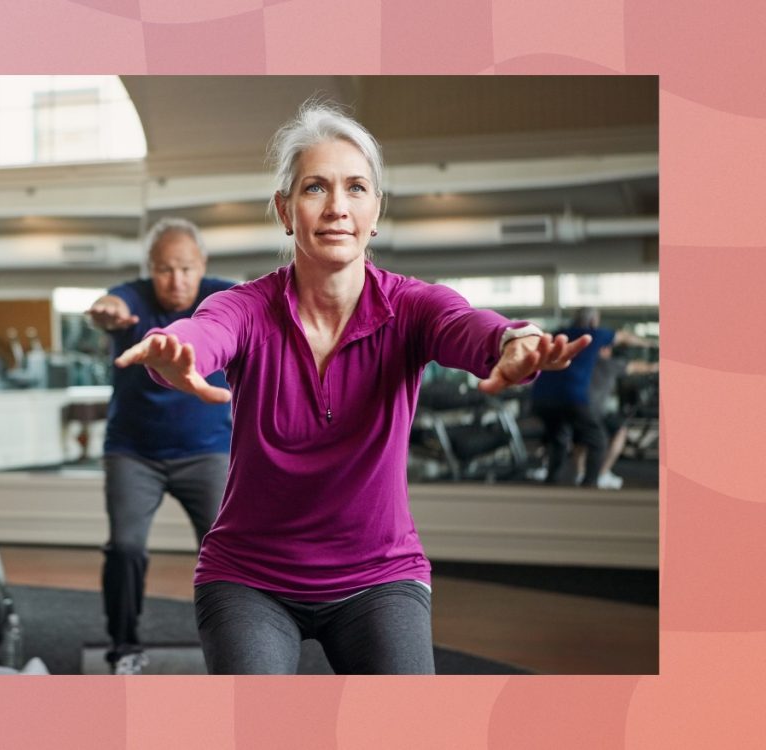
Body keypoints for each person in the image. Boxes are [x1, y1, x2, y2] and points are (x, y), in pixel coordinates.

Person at [114, 101, 590, 675]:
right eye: (315, 188)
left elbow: (469, 325)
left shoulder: (413, 306)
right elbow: (206, 332)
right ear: (285, 210)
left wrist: (515, 341)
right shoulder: (244, 306)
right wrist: (177, 352)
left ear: (376, 209)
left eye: (356, 188)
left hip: (379, 577)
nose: (337, 207)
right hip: (250, 578)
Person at [87, 218, 234, 674]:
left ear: (202, 265)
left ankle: (234, 645)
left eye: (186, 268)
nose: (177, 280)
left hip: (207, 452)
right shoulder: (132, 297)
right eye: (165, 270)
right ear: (151, 268)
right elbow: (110, 305)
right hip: (134, 454)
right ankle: (125, 646)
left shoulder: (222, 296)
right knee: (126, 547)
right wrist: (104, 312)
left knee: (228, 548)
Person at [531, 307, 648, 488]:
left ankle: (551, 483)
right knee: (598, 440)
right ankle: (589, 486)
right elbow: (624, 337)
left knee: (559, 439)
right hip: (570, 396)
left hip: (541, 396)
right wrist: (649, 343)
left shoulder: (558, 334)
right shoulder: (593, 335)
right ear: (594, 321)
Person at [575, 342, 659, 489]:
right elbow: (637, 367)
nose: (609, 351)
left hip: (580, 411)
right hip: (592, 413)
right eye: (607, 348)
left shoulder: (582, 363)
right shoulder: (608, 365)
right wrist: (657, 366)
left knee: (582, 438)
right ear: (602, 350)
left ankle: (581, 474)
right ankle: (601, 474)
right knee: (618, 432)